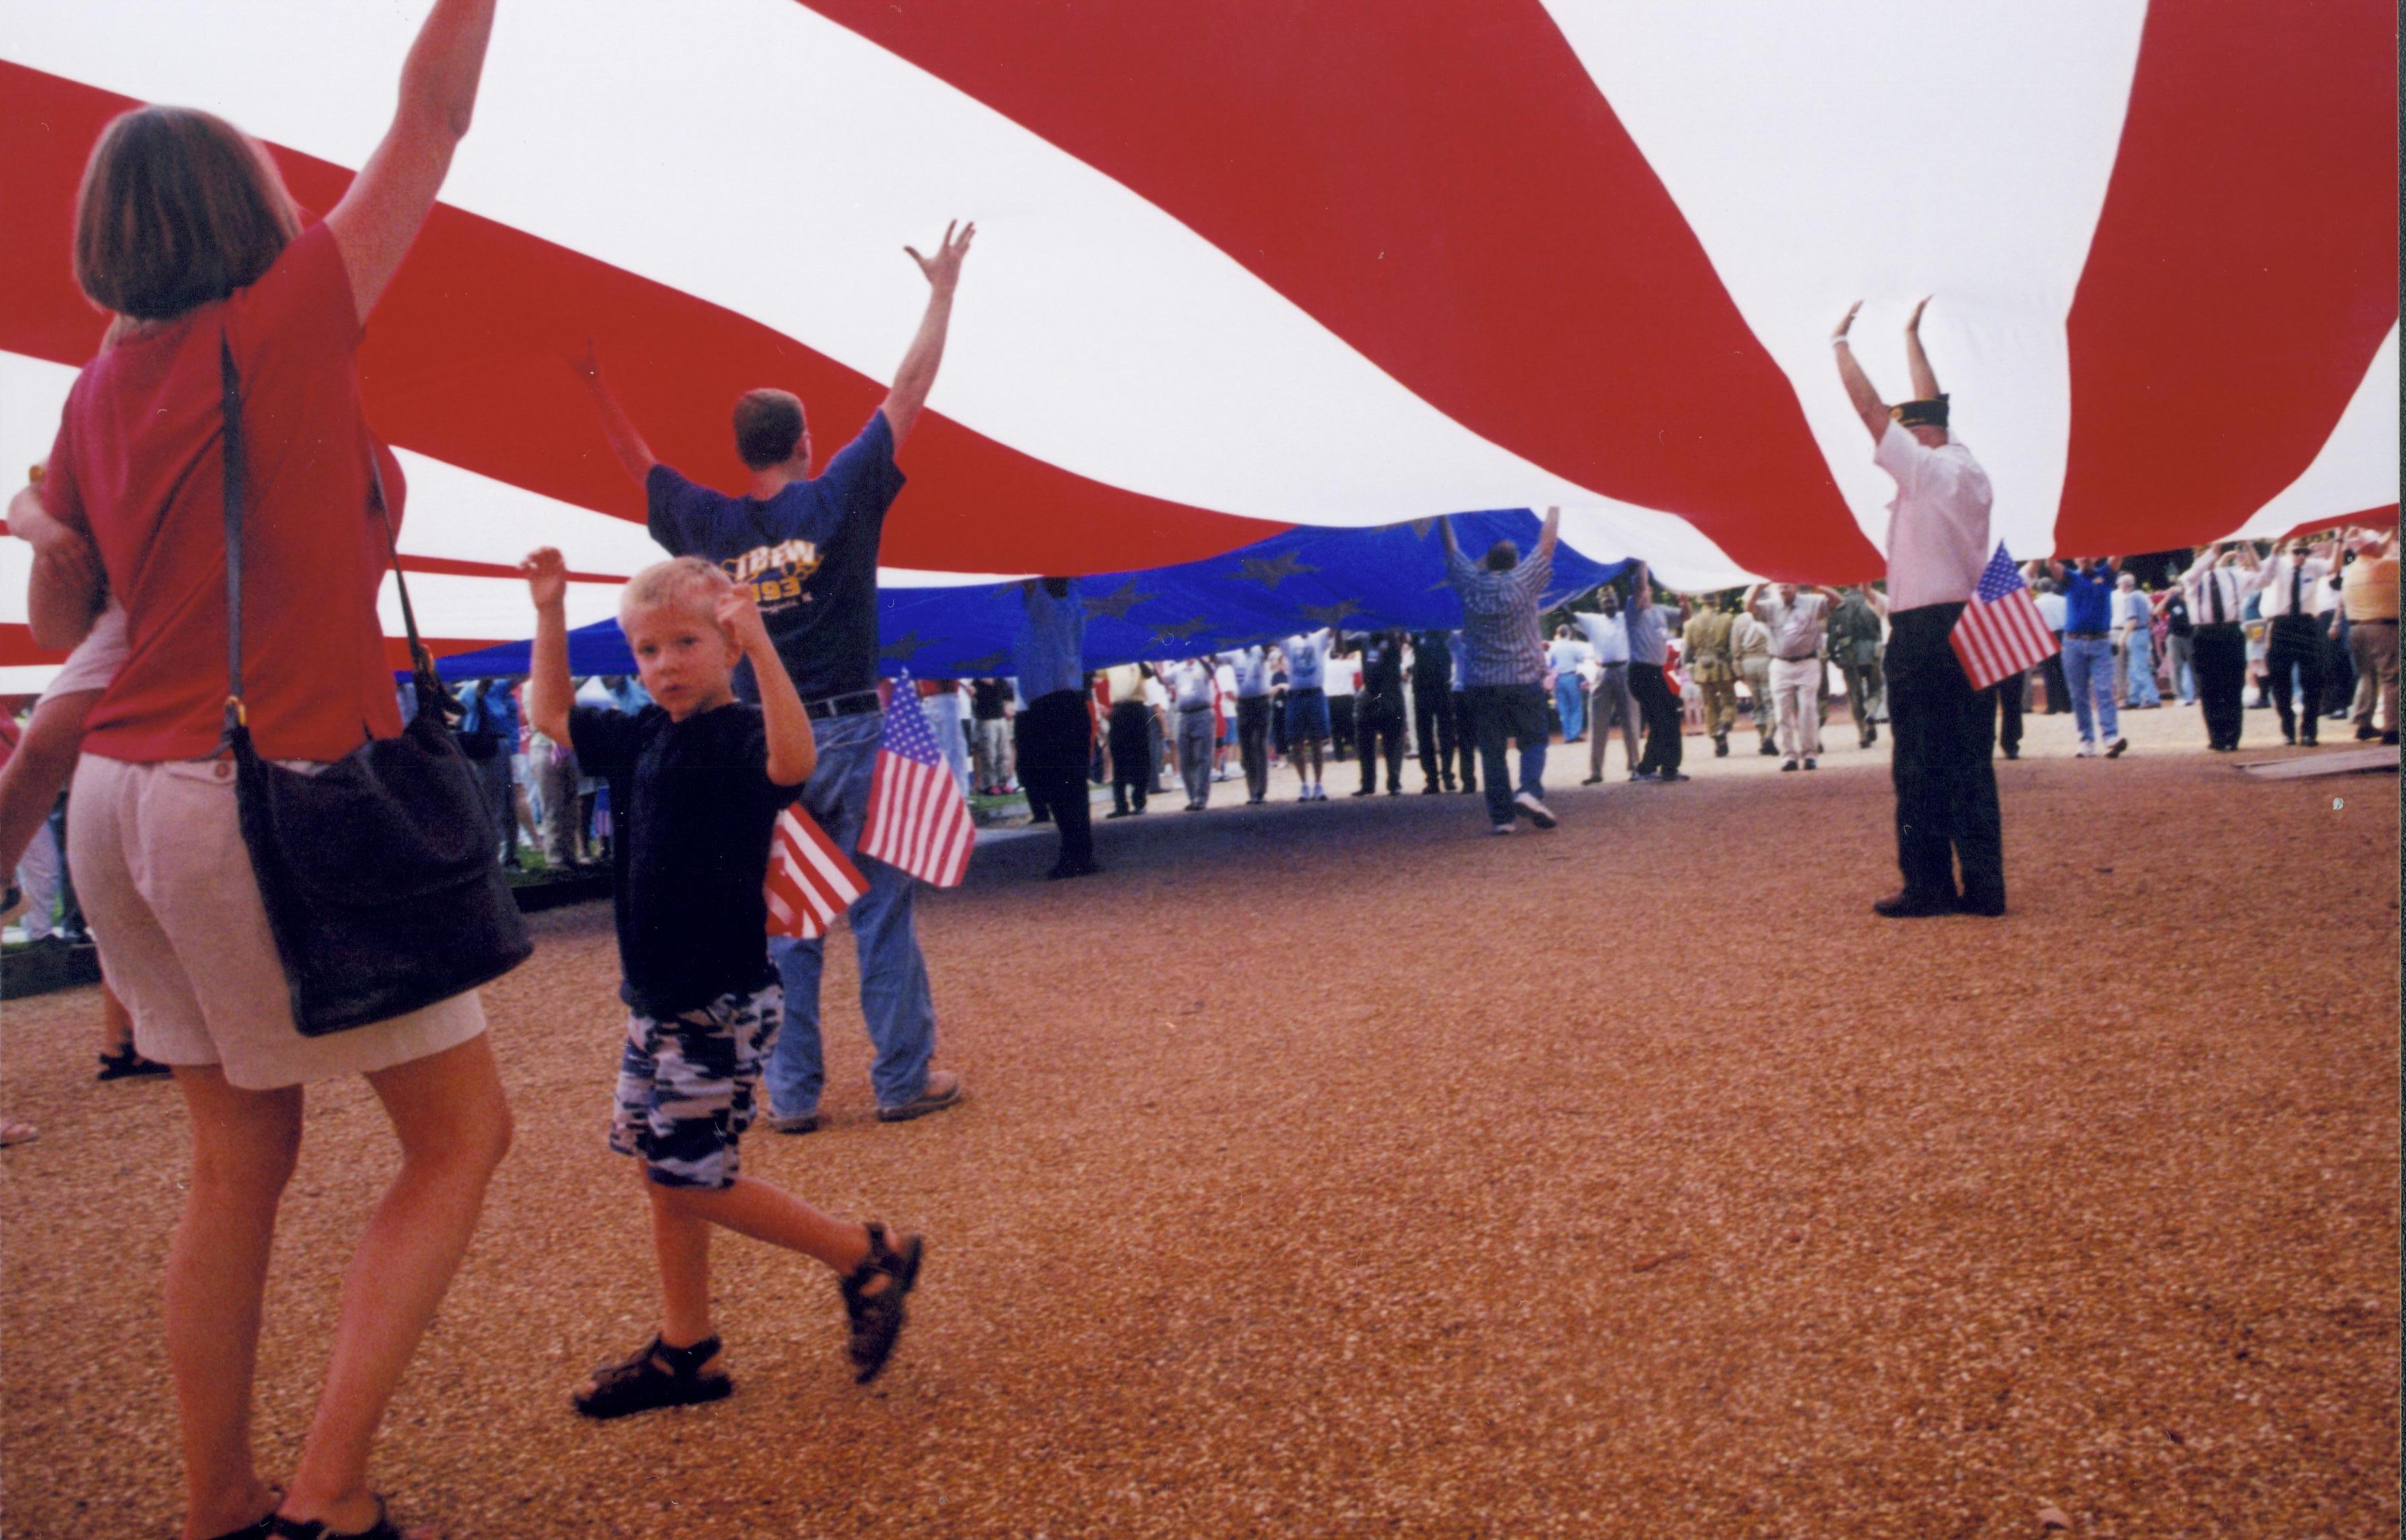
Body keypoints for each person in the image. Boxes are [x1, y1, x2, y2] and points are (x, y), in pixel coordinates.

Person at [30, 9, 517, 1533]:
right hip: (257, 787)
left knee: (237, 1163)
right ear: (241, 211)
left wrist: (56, 534)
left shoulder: (96, 391)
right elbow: (430, 117)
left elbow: (73, 615)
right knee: (460, 1136)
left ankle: (219, 1505)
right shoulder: (283, 320)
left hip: (121, 792)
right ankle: (328, 1496)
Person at [579, 222, 974, 1132]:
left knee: (787, 920)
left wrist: (599, 389)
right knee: (879, 914)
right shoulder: (838, 493)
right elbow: (908, 389)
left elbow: (639, 469)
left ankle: (793, 1097)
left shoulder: (706, 523)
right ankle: (900, 1081)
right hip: (852, 729)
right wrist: (941, 291)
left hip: (763, 743)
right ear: (803, 439)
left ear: (742, 448)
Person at [523, 551, 923, 1418]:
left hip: (716, 1003)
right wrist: (550, 613)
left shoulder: (740, 735)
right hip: (661, 1003)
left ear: (726, 646)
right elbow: (548, 708)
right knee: (663, 1172)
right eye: (646, 650)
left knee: (688, 1178)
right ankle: (685, 1351)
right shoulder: (641, 737)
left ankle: (863, 1253)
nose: (664, 664)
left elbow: (794, 760)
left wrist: (763, 645)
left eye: (686, 643)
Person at [1832, 296, 2003, 917]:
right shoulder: (1967, 467)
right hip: (1973, 624)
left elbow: (1872, 412)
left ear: (1918, 435)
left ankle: (1928, 885)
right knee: (1971, 763)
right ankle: (1985, 888)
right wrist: (1912, 337)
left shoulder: (1926, 470)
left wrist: (1839, 348)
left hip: (1925, 632)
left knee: (1919, 766)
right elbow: (1932, 407)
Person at [1440, 511, 1562, 832]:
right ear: (1515, 562)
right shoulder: (1524, 582)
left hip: (1482, 682)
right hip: (1523, 679)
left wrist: (1441, 515)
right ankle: (1529, 791)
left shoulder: (1471, 584)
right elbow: (1547, 544)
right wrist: (1555, 507)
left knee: (1492, 751)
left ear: (1488, 563)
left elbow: (1451, 551)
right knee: (1534, 740)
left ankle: (1502, 819)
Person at [1013, 580, 1096, 878]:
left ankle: (1075, 854)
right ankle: (1079, 852)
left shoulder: (1046, 609)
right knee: (1071, 783)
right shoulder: (1074, 605)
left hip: (1052, 707)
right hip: (1068, 704)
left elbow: (1030, 584)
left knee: (1058, 784)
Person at [2252, 534, 2338, 747]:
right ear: (2287, 551)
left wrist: (2340, 541)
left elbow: (2333, 566)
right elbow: (2259, 573)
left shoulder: (2312, 565)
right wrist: (2271, 552)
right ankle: (2288, 728)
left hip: (2306, 623)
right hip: (2280, 624)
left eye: (2304, 551)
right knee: (2280, 680)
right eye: (2296, 551)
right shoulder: (2276, 564)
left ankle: (2309, 731)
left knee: (2312, 679)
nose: (2300, 556)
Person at [1746, 580, 1840, 771]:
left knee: (1808, 710)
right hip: (1781, 664)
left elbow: (1838, 601)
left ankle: (1810, 755)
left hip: (1808, 663)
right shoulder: (1769, 606)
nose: (1783, 587)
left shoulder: (1812, 601)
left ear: (1796, 585)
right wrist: (1759, 587)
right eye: (1779, 584)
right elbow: (1749, 607)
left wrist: (1818, 583)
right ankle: (1788, 756)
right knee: (1782, 712)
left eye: (1788, 583)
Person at [2048, 555, 2128, 758]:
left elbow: (2118, 554)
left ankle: (2110, 737)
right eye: (2080, 554)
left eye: (2089, 553)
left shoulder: (2106, 575)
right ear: (2075, 559)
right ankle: (2086, 739)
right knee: (2078, 695)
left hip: (2100, 642)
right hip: (2073, 643)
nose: (2085, 558)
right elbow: (2051, 563)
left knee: (2104, 690)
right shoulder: (2070, 578)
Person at [2183, 543, 2255, 751]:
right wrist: (2210, 554)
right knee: (2209, 687)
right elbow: (2191, 576)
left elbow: (2260, 578)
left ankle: (2233, 737)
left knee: (2233, 685)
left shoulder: (2231, 575)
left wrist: (2249, 549)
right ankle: (2217, 736)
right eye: (2200, 553)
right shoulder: (2194, 578)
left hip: (2230, 631)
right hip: (2205, 634)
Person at [1624, 565, 1687, 783]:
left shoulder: (1660, 610)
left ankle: (1664, 768)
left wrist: (1685, 604)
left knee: (1668, 715)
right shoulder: (1633, 608)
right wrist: (1642, 562)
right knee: (1662, 717)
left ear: (1651, 591)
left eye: (1644, 589)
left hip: (1655, 672)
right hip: (1641, 671)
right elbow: (1640, 583)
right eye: (1639, 588)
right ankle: (1651, 769)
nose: (1642, 591)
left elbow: (1684, 617)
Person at [1571, 589, 1640, 783]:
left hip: (1625, 670)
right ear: (1600, 604)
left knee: (1631, 721)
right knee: (1597, 722)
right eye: (1605, 602)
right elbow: (1564, 614)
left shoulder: (1626, 617)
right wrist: (1560, 598)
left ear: (1617, 601)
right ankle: (1596, 771)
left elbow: (1640, 598)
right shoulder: (1592, 621)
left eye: (1612, 601)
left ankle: (1635, 766)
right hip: (1603, 672)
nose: (1609, 604)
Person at [2341, 526, 2399, 742]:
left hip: (2356, 629)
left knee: (2367, 676)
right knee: (2392, 677)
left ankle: (2362, 723)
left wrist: (2390, 533)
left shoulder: (2351, 568)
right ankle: (2393, 729)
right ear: (2374, 547)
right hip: (2383, 628)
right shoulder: (2389, 566)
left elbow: (2370, 549)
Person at [459, 676, 521, 863]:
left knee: (509, 805)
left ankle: (509, 856)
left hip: (501, 746)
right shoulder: (469, 692)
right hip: (486, 750)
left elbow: (520, 675)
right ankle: (492, 858)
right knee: (493, 805)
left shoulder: (497, 686)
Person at [1349, 630, 1408, 795]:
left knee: (1394, 740)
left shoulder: (1393, 635)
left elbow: (1403, 640)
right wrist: (1338, 626)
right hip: (1371, 693)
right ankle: (1368, 783)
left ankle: (1394, 782)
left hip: (1390, 693)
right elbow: (1342, 648)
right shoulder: (1363, 637)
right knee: (1364, 740)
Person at [1678, 601, 1738, 757]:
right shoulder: (1726, 619)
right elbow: (1733, 646)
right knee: (1729, 701)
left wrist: (1690, 669)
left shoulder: (1690, 624)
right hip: (1722, 666)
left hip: (1702, 669)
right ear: (1717, 601)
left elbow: (1687, 652)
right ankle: (1724, 725)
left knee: (1709, 705)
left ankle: (1717, 739)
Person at [1828, 588, 1887, 747]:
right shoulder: (1872, 601)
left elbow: (1832, 635)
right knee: (1876, 689)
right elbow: (1882, 626)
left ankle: (1862, 734)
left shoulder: (1840, 606)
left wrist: (1834, 657)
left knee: (1855, 694)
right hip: (1872, 653)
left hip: (1850, 656)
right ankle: (1871, 711)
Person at [1281, 629, 1334, 800]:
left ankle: (1318, 784)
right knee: (1297, 743)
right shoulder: (1290, 640)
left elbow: (1333, 627)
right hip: (1296, 695)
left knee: (1317, 741)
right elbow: (1274, 634)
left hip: (1315, 694)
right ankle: (1304, 784)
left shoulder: (1319, 638)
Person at [1220, 644, 1275, 804]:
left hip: (1261, 702)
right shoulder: (1235, 653)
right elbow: (1216, 656)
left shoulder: (1260, 650)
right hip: (1243, 704)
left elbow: (1267, 645)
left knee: (1259, 744)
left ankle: (1260, 790)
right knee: (1246, 747)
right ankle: (1252, 789)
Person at [1407, 631, 1457, 794]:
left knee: (1446, 735)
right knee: (1425, 737)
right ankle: (1432, 779)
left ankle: (1447, 776)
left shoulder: (1443, 631)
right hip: (1423, 688)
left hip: (1442, 687)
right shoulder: (1417, 631)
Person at [1728, 597, 1779, 757]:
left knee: (1757, 704)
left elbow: (1735, 647)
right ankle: (1769, 736)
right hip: (1767, 661)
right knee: (1772, 703)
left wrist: (1739, 671)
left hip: (1747, 663)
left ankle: (1762, 738)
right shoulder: (1770, 616)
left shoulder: (1739, 621)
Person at [1165, 655, 1217, 810]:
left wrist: (1201, 657)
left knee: (1203, 757)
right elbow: (1164, 680)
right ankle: (1192, 796)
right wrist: (1155, 663)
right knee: (1185, 759)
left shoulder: (1203, 665)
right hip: (1183, 715)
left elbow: (1212, 672)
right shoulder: (1177, 668)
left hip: (1202, 713)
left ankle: (1200, 798)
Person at [1102, 663, 1152, 817]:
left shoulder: (1140, 662)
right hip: (1118, 710)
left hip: (1137, 708)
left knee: (1140, 757)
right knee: (1118, 759)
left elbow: (1149, 672)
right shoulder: (1110, 663)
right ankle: (1120, 805)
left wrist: (1137, 659)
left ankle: (1139, 802)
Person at [2113, 573, 2162, 709]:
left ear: (2124, 586)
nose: (2119, 587)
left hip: (2135, 633)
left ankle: (2152, 697)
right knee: (2134, 669)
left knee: (2139, 668)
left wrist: (2122, 638)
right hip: (2143, 632)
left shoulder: (2131, 598)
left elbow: (2132, 620)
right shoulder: (2142, 595)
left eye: (2120, 584)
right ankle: (2134, 698)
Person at [2153, 578, 2197, 707]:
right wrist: (2168, 596)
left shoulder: (2193, 599)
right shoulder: (2174, 600)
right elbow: (2156, 611)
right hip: (2174, 637)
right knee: (2176, 667)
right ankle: (2179, 696)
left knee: (2195, 667)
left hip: (2190, 636)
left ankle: (2196, 695)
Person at [2032, 578, 2071, 713]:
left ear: (2039, 589)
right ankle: (2067, 705)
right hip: (2062, 634)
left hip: (2045, 635)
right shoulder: (2063, 601)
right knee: (2062, 671)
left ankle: (2052, 706)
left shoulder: (2036, 603)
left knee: (2048, 673)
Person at [1546, 625, 1589, 744]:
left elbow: (1549, 663)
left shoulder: (1554, 647)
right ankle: (1575, 733)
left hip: (1558, 678)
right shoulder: (1573, 645)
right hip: (1570, 676)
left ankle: (1567, 736)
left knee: (1563, 708)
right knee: (1575, 706)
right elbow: (1581, 659)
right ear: (1568, 633)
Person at [970, 677, 1012, 795]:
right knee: (989, 754)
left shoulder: (1000, 679)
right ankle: (990, 784)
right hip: (986, 719)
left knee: (1004, 753)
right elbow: (972, 693)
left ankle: (1003, 783)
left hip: (1000, 717)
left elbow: (1008, 692)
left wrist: (1008, 706)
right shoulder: (976, 681)